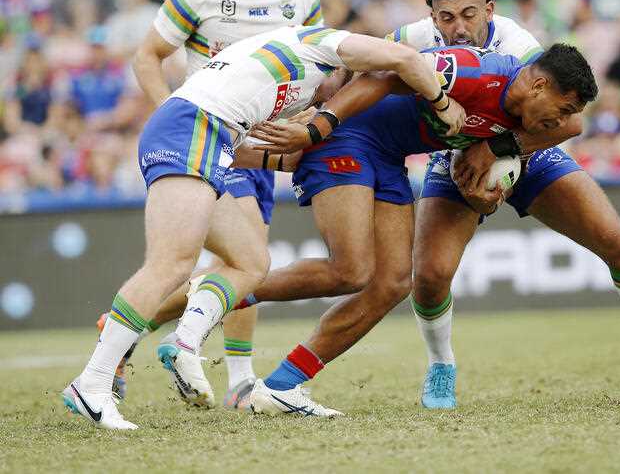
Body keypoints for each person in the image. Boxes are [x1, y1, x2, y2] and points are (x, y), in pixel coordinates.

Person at [235, 42, 620, 418]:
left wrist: (496, 160)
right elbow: (383, 71)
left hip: (413, 155)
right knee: (358, 272)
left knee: (390, 282)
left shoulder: (519, 60)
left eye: (469, 13)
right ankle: (213, 293)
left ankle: (280, 380)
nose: (459, 24)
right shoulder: (455, 61)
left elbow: (568, 122)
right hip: (364, 143)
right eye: (448, 15)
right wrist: (319, 122)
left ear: (487, 10)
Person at [61, 25, 465, 430]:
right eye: (337, 89)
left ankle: (187, 330)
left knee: (251, 262)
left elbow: (263, 157)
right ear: (343, 68)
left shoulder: (283, 80)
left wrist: (286, 154)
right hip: (193, 127)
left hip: (208, 137)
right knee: (172, 262)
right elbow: (406, 59)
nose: (330, 101)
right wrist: (443, 104)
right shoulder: (320, 43)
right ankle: (93, 382)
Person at [98, 0, 326, 409]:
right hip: (212, 141)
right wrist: (177, 119)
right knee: (248, 260)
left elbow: (317, 63)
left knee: (245, 265)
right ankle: (238, 381)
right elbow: (147, 57)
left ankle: (130, 326)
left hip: (264, 147)